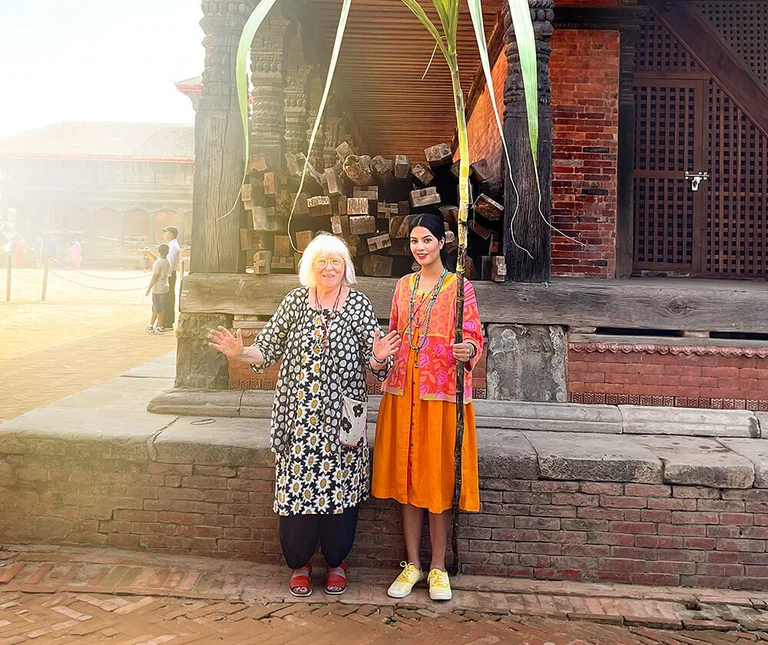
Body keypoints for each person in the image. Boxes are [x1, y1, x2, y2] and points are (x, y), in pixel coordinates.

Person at [207, 233, 400, 597]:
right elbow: (266, 349)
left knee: (339, 497)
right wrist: (240, 352)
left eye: (336, 261)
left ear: (346, 267)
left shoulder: (357, 304)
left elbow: (378, 367)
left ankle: (337, 562)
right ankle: (299, 563)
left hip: (342, 420)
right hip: (297, 421)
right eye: (322, 261)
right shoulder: (295, 302)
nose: (329, 268)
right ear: (310, 267)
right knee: (298, 497)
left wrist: (376, 356)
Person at [372, 212, 484, 602]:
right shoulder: (403, 287)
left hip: (440, 395)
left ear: (443, 242)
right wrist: (381, 353)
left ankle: (437, 566)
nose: (420, 247)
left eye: (427, 240)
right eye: (414, 241)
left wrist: (467, 350)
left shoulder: (460, 288)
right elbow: (396, 333)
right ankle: (412, 564)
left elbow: (474, 337)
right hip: (404, 392)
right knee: (406, 480)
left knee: (437, 479)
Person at [145, 243, 171, 334]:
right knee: (155, 307)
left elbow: (155, 277)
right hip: (164, 286)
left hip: (158, 288)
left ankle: (160, 326)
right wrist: (148, 252)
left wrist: (149, 288)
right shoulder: (167, 261)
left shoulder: (158, 263)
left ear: (159, 251)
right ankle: (151, 325)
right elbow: (156, 259)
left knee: (158, 308)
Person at [162, 226, 181, 331]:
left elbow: (170, 262)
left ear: (171, 234)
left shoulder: (172, 247)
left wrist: (165, 274)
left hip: (169, 275)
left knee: (167, 298)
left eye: (166, 233)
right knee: (168, 297)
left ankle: (167, 322)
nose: (164, 235)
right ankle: (168, 321)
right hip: (170, 274)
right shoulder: (172, 245)